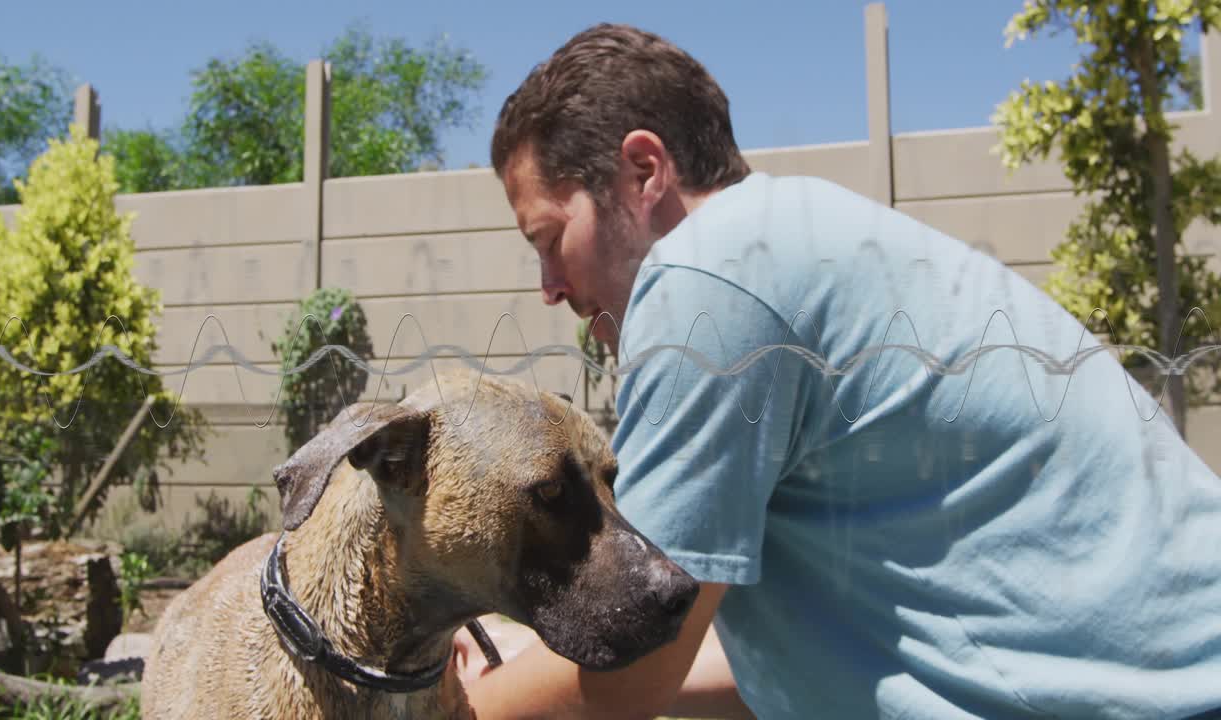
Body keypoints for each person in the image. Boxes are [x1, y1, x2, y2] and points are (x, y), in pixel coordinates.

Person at [452, 22, 1221, 720]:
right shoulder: (803, 239)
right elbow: (755, 663)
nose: (549, 286)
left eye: (550, 238)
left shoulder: (715, 275)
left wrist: (451, 710)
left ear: (644, 171)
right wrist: (523, 668)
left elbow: (630, 674)